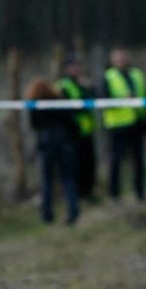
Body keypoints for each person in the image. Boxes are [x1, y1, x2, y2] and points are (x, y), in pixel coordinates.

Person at [101, 48, 146, 202]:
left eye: (124, 57)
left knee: (139, 160)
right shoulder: (108, 77)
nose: (122, 61)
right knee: (116, 161)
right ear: (112, 61)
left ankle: (140, 192)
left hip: (137, 123)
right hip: (117, 125)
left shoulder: (137, 74)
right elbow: (104, 100)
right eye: (118, 58)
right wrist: (124, 98)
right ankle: (114, 194)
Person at [26, 79, 80, 224]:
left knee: (47, 181)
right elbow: (71, 121)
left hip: (46, 145)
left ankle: (47, 214)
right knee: (67, 179)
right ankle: (73, 211)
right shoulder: (60, 101)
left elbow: (34, 125)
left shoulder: (35, 105)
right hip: (64, 144)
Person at [55, 55, 97, 201]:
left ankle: (88, 192)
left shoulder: (83, 83)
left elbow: (92, 100)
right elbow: (66, 109)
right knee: (75, 165)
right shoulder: (62, 86)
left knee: (89, 163)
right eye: (72, 66)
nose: (75, 69)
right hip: (71, 132)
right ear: (66, 69)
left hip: (86, 130)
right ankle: (77, 194)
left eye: (77, 66)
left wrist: (88, 88)